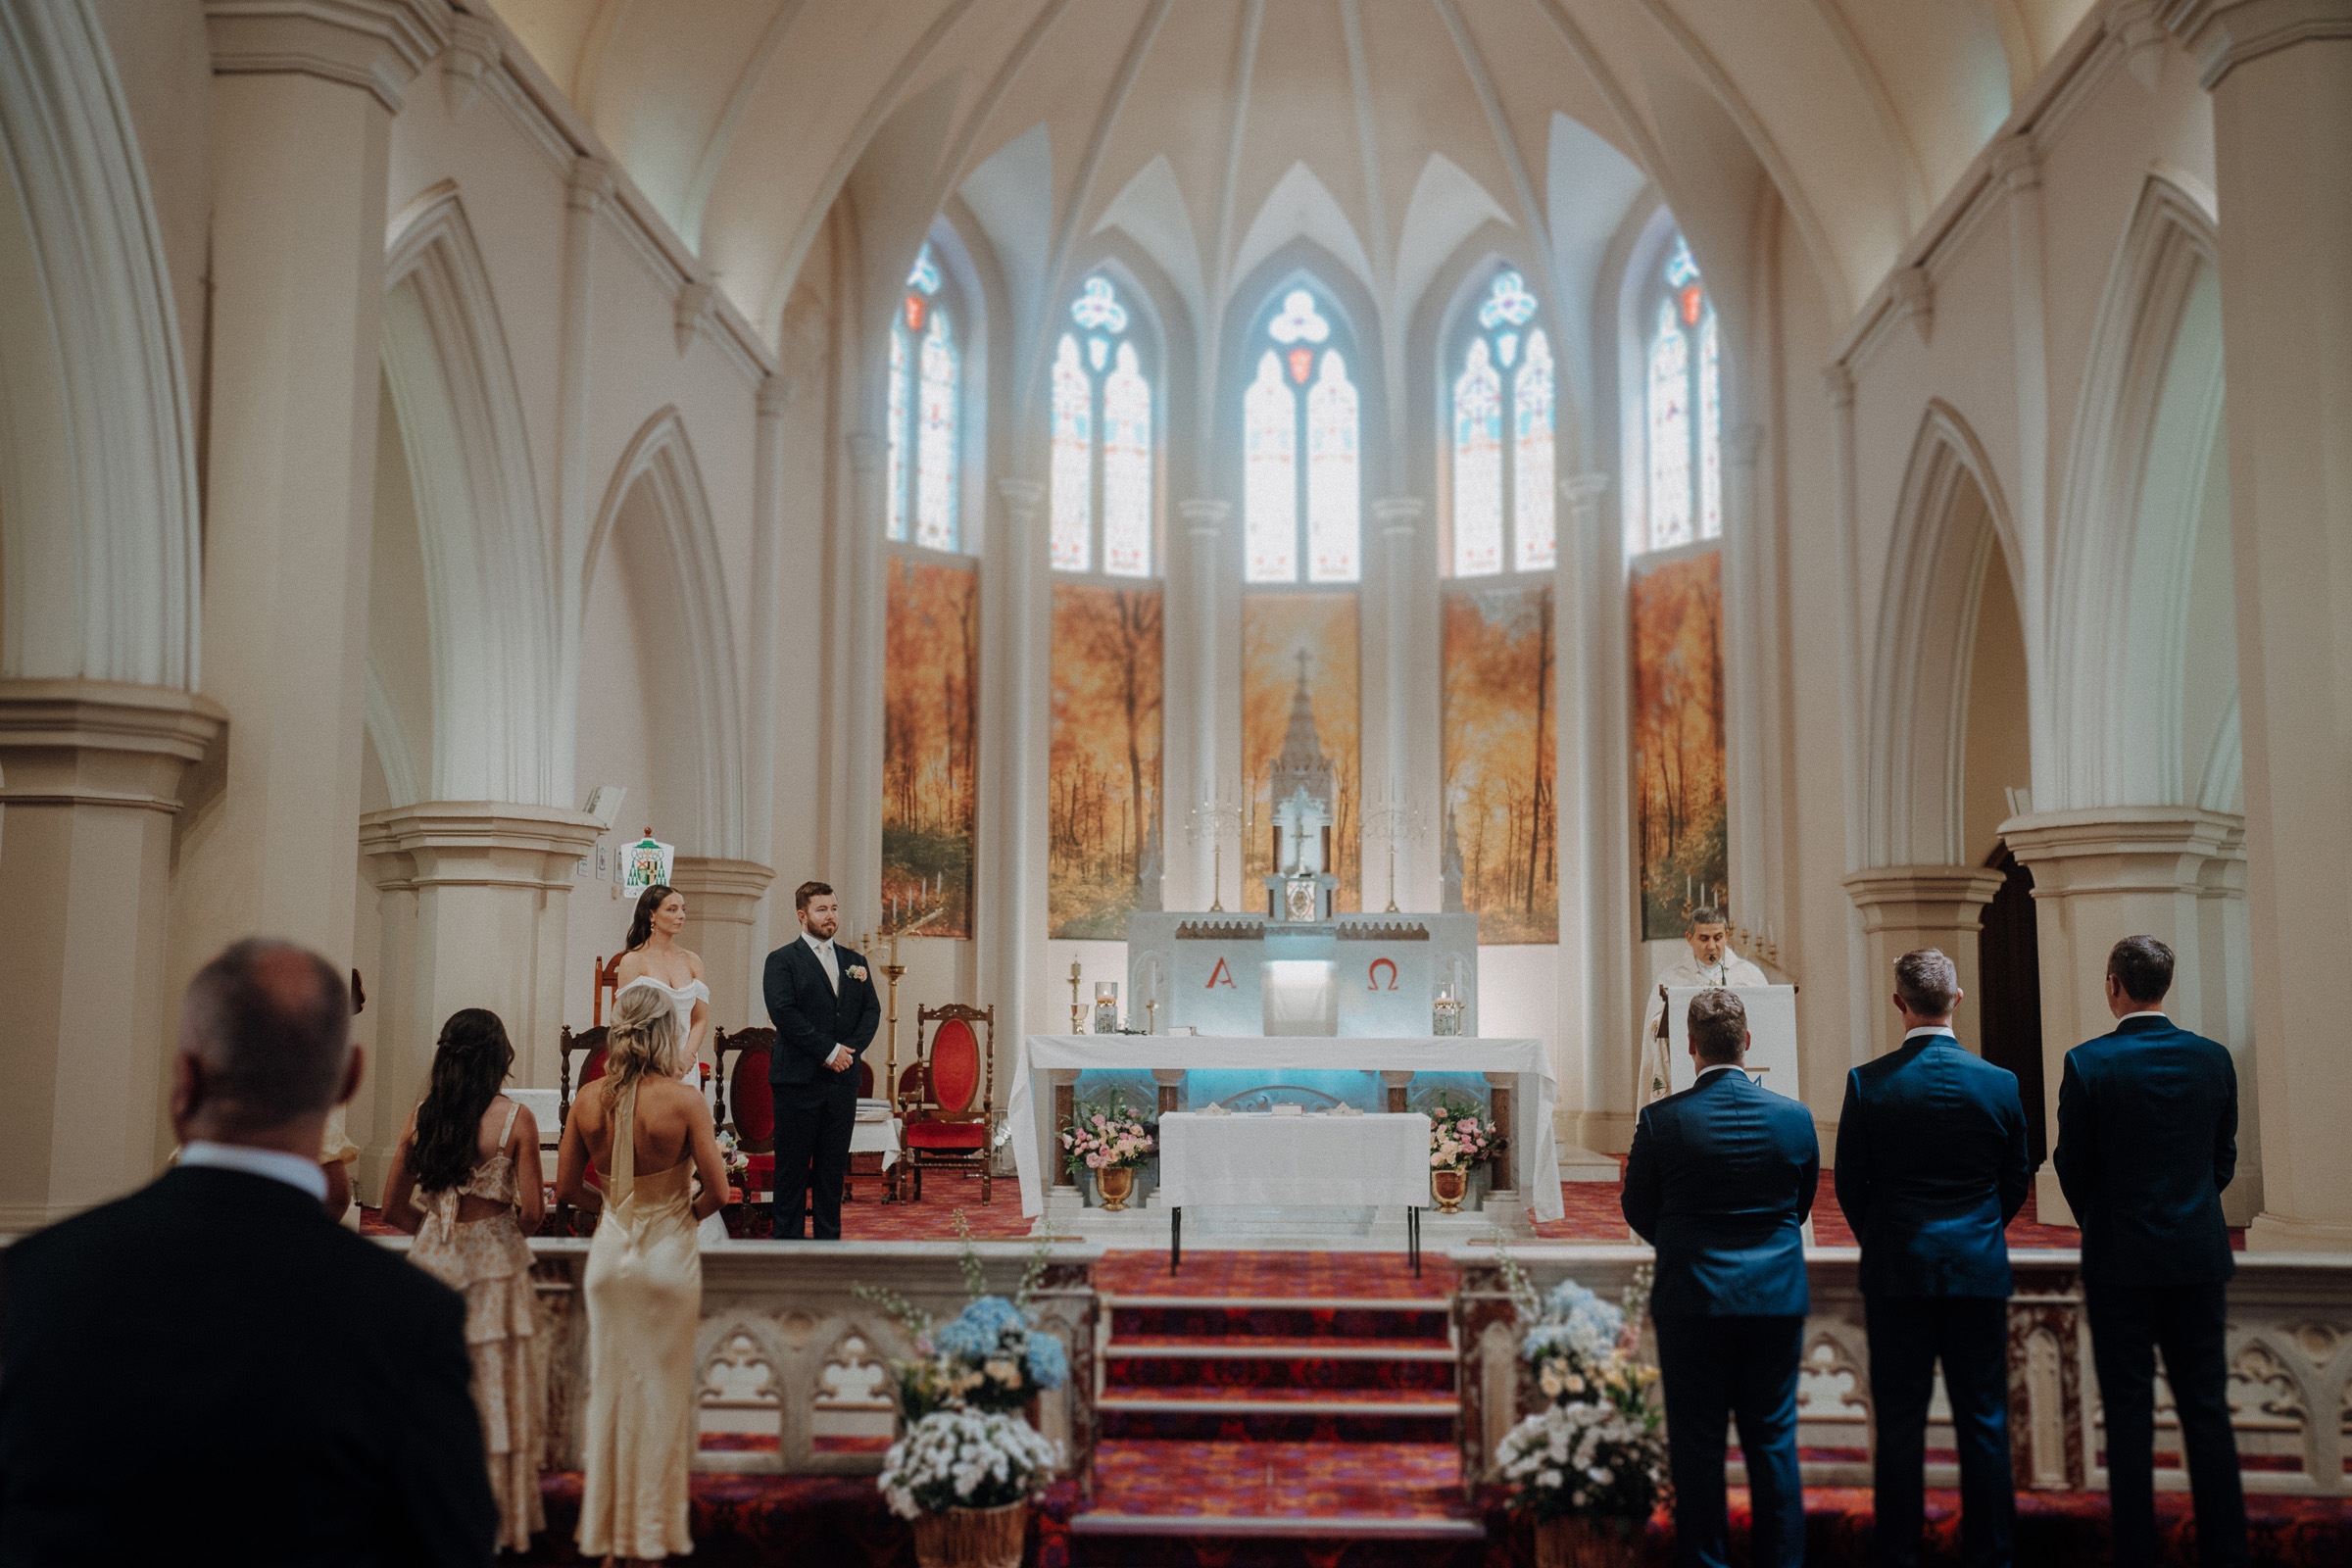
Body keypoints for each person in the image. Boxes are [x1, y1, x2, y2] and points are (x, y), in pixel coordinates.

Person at [0, 938, 497, 1565]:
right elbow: (451, 1547)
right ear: (348, 1078)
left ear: (183, 1080)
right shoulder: (408, 1317)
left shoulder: (33, 1278)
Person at [1835, 949, 2034, 1568]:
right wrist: (1980, 1230)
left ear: (1899, 1003)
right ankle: (1992, 1554)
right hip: (1977, 1267)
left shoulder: (1869, 1082)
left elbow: (1848, 1181)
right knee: (1983, 1420)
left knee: (1899, 1422)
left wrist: (1889, 1236)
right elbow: (2015, 1178)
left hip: (1899, 1269)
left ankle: (1898, 1553)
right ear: (1958, 999)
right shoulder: (1999, 1082)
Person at [2055, 935, 2247, 1568]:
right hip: (2195, 1255)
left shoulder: (2088, 1063)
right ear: (2166, 986)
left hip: (2120, 1260)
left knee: (2129, 1410)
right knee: (2207, 1407)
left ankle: (2136, 1550)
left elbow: (2072, 1164)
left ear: (2113, 985)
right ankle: (2226, 1549)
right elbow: (2222, 1159)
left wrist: (2105, 1220)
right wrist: (2190, 1208)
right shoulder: (2213, 1059)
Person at [1623, 988, 1817, 1568]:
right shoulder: (1794, 1117)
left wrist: (1685, 1243)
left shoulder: (1661, 1121)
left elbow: (1637, 1207)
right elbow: (1799, 1203)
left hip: (1693, 1299)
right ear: (1748, 1043)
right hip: (1775, 1297)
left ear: (1689, 1048)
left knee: (1697, 1449)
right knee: (1774, 1444)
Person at [556, 982, 727, 1565]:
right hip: (666, 1255)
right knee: (662, 1398)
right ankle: (650, 1539)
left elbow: (564, 1190)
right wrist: (679, 1216)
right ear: (665, 1033)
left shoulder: (587, 1101)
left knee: (609, 1394)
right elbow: (720, 1192)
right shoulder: (682, 1102)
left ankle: (607, 1542)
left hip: (610, 1255)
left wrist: (610, 1209)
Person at [383, 1008, 549, 1554]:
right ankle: (492, 1523)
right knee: (494, 1391)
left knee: (432, 1391)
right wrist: (499, 1230)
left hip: (434, 1259)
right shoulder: (515, 1119)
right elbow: (532, 1214)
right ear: (498, 1056)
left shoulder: (422, 1116)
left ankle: (425, 1516)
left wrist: (435, 1233)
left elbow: (391, 1207)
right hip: (495, 1263)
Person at [762, 881, 880, 1241]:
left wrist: (848, 1053)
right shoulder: (782, 960)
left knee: (831, 1172)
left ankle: (829, 1247)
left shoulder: (855, 962)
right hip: (797, 1081)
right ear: (802, 915)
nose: (831, 916)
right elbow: (783, 1012)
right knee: (792, 1172)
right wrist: (828, 1052)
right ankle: (787, 1251)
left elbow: (871, 1011)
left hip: (841, 1083)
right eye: (821, 910)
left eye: (834, 908)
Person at [614, 883, 726, 1248]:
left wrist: (686, 1056)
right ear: (651, 914)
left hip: (684, 1063)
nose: (680, 916)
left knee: (689, 1148)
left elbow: (699, 1019)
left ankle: (689, 1218)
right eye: (672, 910)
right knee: (655, 1148)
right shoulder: (633, 961)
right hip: (646, 1062)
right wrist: (659, 1059)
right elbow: (624, 1020)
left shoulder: (692, 960)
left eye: (682, 909)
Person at [1640, 904, 1768, 1105]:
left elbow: (1767, 1017)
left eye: (1717, 938)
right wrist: (1660, 1021)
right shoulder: (1671, 978)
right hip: (1689, 1066)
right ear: (1689, 938)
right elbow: (1654, 1027)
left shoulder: (1749, 975)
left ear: (1726, 935)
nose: (1711, 946)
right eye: (1704, 938)